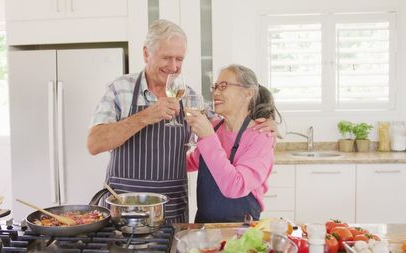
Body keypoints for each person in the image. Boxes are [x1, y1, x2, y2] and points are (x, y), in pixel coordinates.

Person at [87, 19, 276, 223]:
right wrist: (145, 117)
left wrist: (267, 121)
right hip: (123, 209)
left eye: (179, 59)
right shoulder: (119, 89)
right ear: (146, 53)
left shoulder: (190, 98)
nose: (174, 66)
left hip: (171, 213)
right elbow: (94, 144)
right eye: (166, 58)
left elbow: (229, 124)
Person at [185, 64, 281, 223]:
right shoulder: (214, 127)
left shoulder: (261, 136)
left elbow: (236, 186)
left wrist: (208, 137)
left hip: (240, 230)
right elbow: (192, 162)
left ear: (248, 92)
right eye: (215, 87)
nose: (216, 92)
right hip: (204, 226)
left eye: (223, 86)